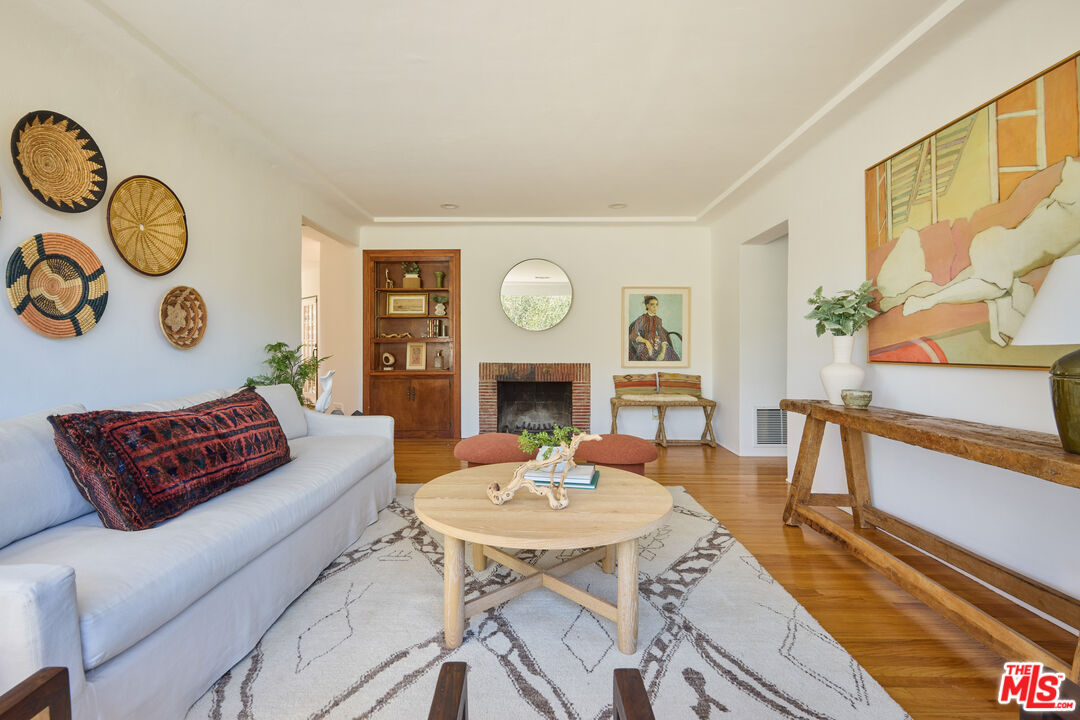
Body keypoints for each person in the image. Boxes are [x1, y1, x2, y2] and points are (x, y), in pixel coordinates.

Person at [628, 295, 680, 361]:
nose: (655, 307)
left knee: (669, 353)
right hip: (644, 344)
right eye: (652, 304)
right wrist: (646, 342)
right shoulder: (641, 318)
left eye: (656, 304)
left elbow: (662, 335)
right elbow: (633, 334)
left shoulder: (658, 320)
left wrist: (663, 352)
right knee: (643, 353)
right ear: (647, 306)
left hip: (657, 343)